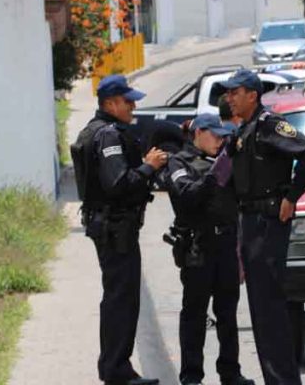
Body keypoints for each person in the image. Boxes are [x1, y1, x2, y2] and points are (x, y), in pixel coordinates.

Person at [219, 69, 305, 385]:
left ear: (252, 94)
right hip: (249, 223)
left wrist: (292, 196)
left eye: (235, 92)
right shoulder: (244, 130)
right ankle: (275, 378)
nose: (229, 98)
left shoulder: (270, 125)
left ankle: (283, 380)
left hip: (267, 223)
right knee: (261, 309)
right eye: (228, 93)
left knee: (269, 308)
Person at [71, 74, 167, 385]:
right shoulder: (108, 135)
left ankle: (116, 367)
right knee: (120, 300)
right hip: (115, 229)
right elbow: (119, 183)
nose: (133, 106)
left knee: (120, 298)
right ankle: (116, 370)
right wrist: (148, 166)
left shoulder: (97, 131)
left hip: (112, 227)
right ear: (110, 103)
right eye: (128, 101)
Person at [164, 114, 255, 385]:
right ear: (199, 133)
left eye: (222, 136)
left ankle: (230, 372)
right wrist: (215, 176)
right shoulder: (179, 162)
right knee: (194, 314)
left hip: (226, 245)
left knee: (228, 313)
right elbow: (186, 195)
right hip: (198, 247)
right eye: (214, 135)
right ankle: (191, 375)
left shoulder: (225, 160)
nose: (219, 141)